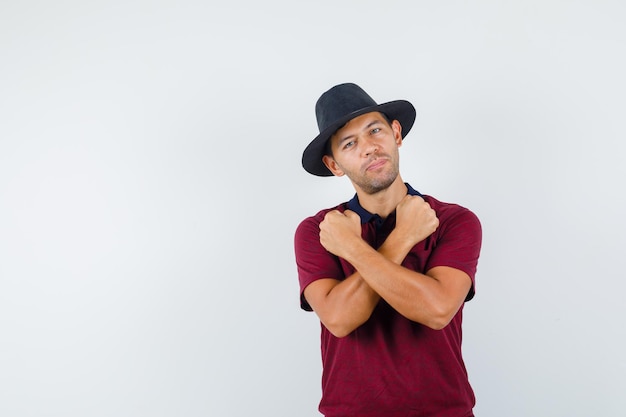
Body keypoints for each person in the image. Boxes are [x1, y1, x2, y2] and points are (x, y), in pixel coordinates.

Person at [294, 83, 482, 417]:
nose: (368, 148)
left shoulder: (454, 221)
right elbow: (339, 319)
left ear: (396, 133)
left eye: (375, 130)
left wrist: (351, 247)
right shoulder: (319, 231)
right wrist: (402, 238)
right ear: (334, 164)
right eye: (349, 144)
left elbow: (437, 310)